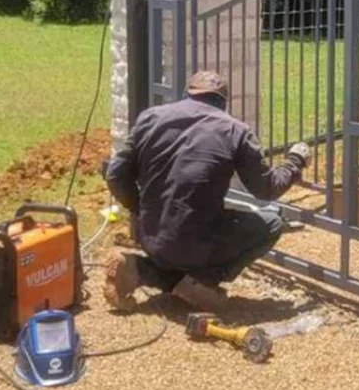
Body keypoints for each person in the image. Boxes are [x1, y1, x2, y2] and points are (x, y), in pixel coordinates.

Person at [103, 70, 311, 312]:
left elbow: (115, 176)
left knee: (186, 239)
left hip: (150, 236)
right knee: (272, 224)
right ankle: (202, 283)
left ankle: (138, 268)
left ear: (187, 94)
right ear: (222, 102)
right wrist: (294, 161)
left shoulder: (150, 118)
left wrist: (140, 209)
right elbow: (267, 188)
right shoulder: (236, 132)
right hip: (195, 244)